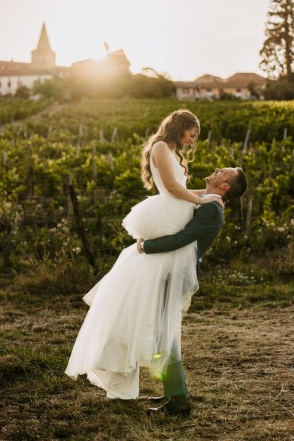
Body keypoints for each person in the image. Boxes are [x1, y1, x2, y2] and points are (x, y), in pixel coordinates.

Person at [64, 109, 224, 408]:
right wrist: (204, 199)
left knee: (161, 319)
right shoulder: (162, 147)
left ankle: (173, 392)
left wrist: (211, 196)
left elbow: (186, 190)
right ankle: (172, 392)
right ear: (181, 127)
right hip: (168, 214)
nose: (194, 139)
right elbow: (174, 188)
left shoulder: (174, 153)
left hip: (175, 217)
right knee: (155, 315)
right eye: (193, 133)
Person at [137, 166, 247, 415]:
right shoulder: (207, 202)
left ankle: (178, 402)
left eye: (224, 171)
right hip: (173, 271)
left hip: (177, 275)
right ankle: (173, 393)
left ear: (225, 186)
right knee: (162, 333)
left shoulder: (211, 209)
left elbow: (182, 239)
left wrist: (147, 246)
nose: (218, 169)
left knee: (166, 335)